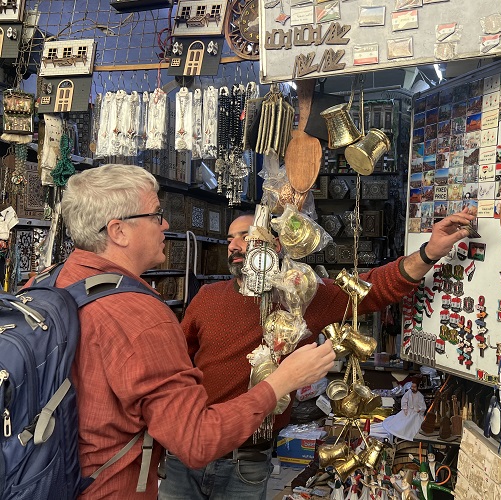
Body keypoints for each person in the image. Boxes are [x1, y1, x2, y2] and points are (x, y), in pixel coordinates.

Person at [56, 164, 335, 498]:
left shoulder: (51, 283)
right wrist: (283, 381)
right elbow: (195, 441)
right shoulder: (141, 316)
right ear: (118, 231)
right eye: (156, 215)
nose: (166, 224)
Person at [159, 207, 475, 499]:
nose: (234, 245)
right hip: (185, 457)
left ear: (277, 245)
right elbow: (175, 368)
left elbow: (372, 287)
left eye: (246, 235)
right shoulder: (207, 298)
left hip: (248, 463)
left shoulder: (302, 294)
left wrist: (429, 252)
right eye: (230, 239)